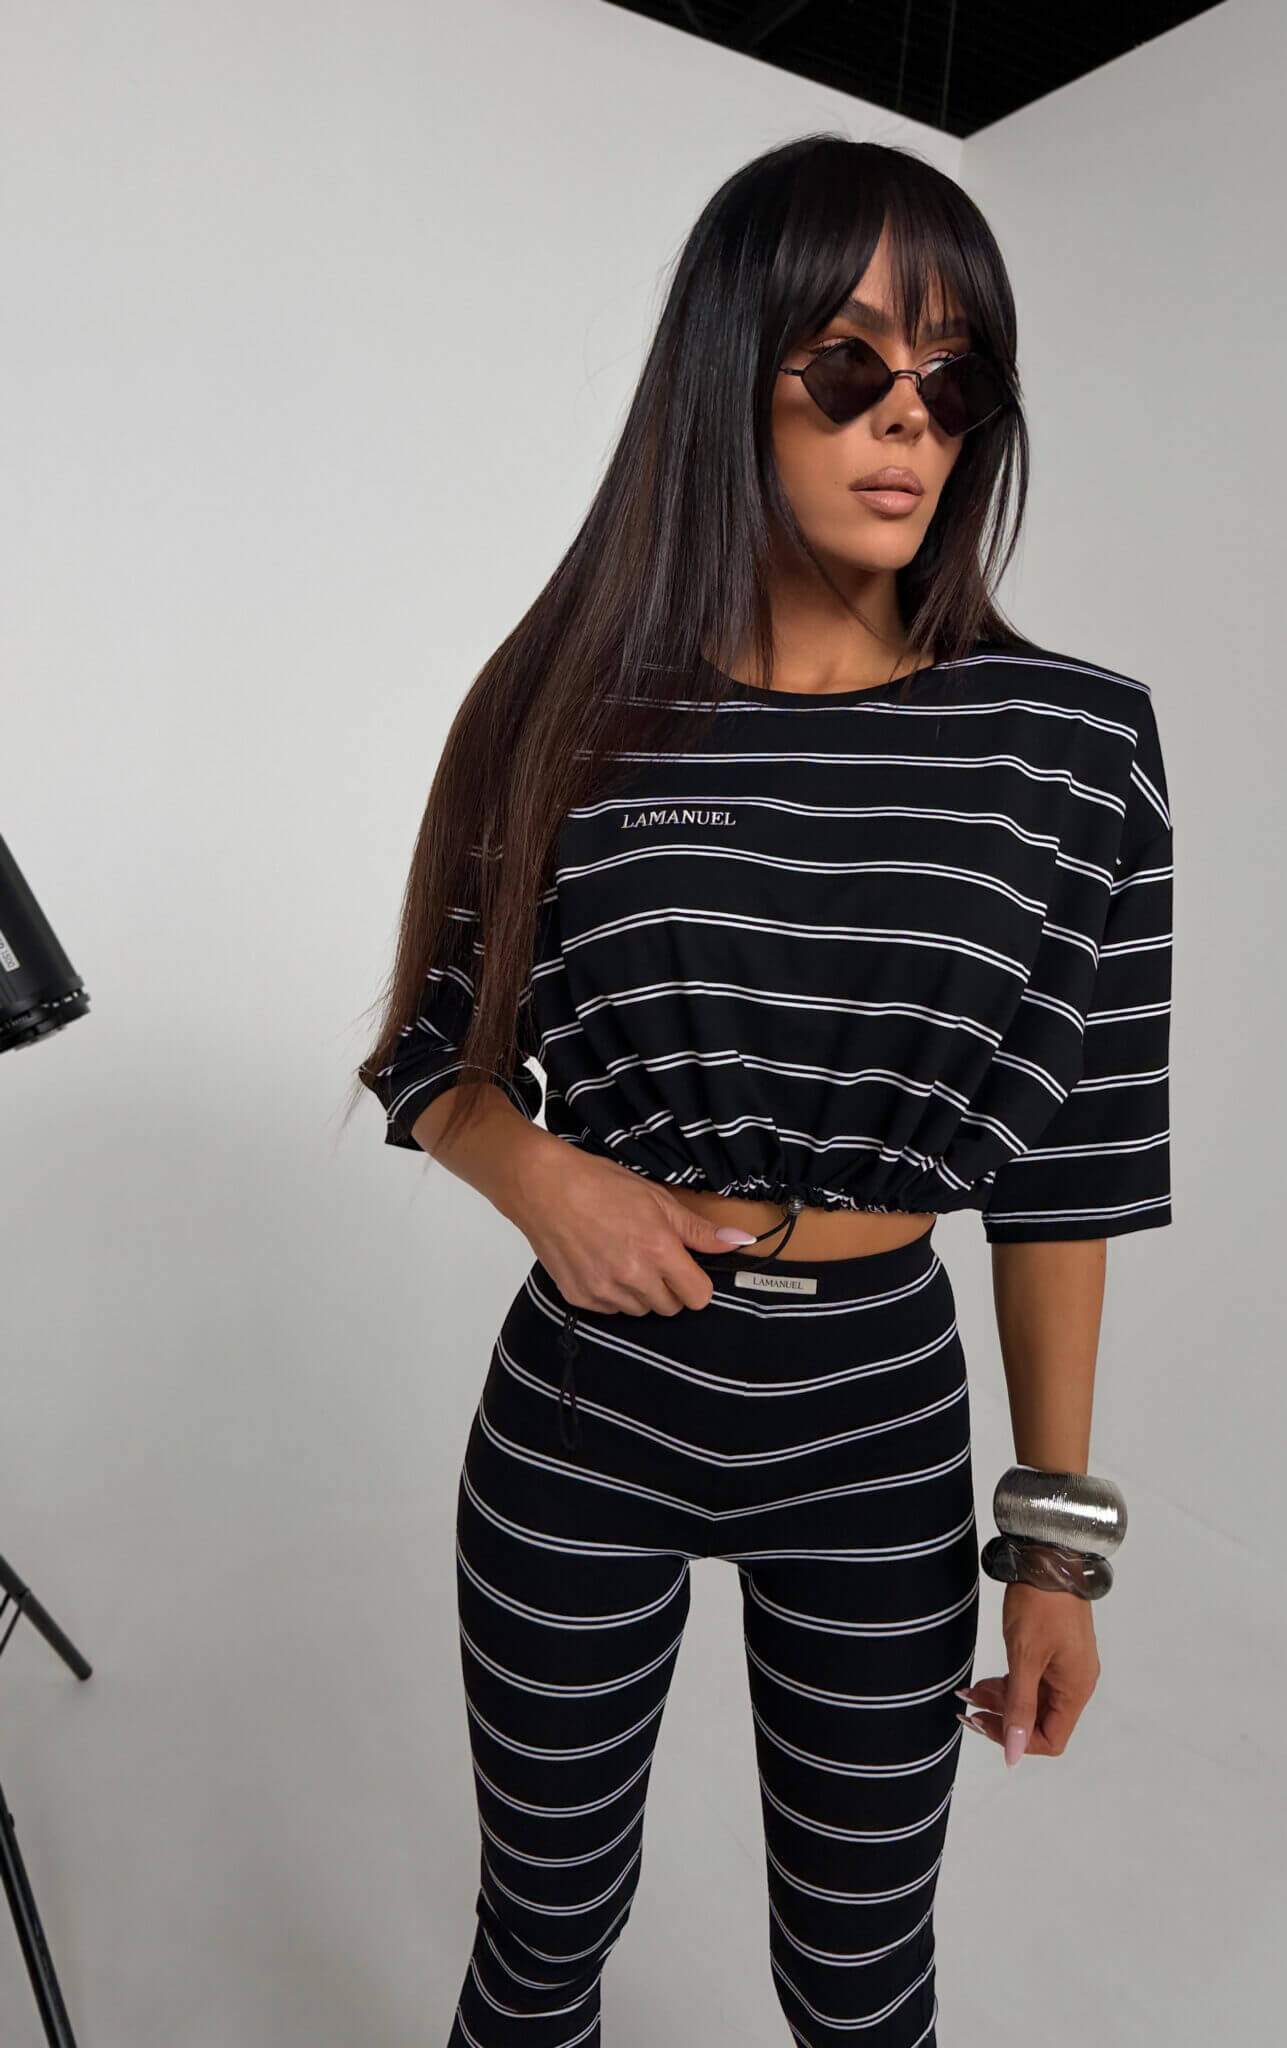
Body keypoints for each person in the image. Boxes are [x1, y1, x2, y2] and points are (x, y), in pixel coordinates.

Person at [354, 134, 1173, 2048]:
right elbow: (430, 1048)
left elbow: (1073, 1163)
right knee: (542, 1944)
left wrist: (1056, 1552)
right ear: (730, 374)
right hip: (591, 1404)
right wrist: (540, 1175)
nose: (909, 421)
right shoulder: (567, 704)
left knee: (864, 1981)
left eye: (957, 377)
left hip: (876, 1418)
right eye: (851, 365)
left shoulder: (1071, 744)